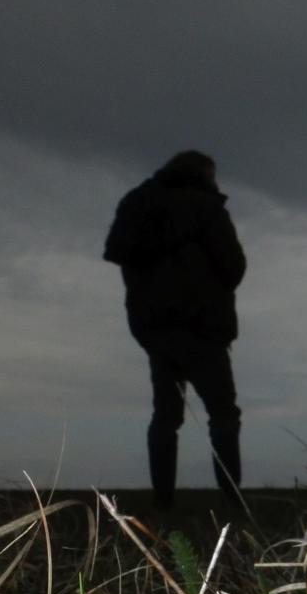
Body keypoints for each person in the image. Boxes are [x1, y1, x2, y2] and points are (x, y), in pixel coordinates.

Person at [104, 150, 247, 509]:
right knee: (223, 413)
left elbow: (119, 253)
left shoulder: (138, 205)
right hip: (202, 326)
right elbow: (233, 265)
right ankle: (233, 499)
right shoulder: (206, 208)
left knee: (166, 416)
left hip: (155, 329)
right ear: (204, 174)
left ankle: (162, 501)